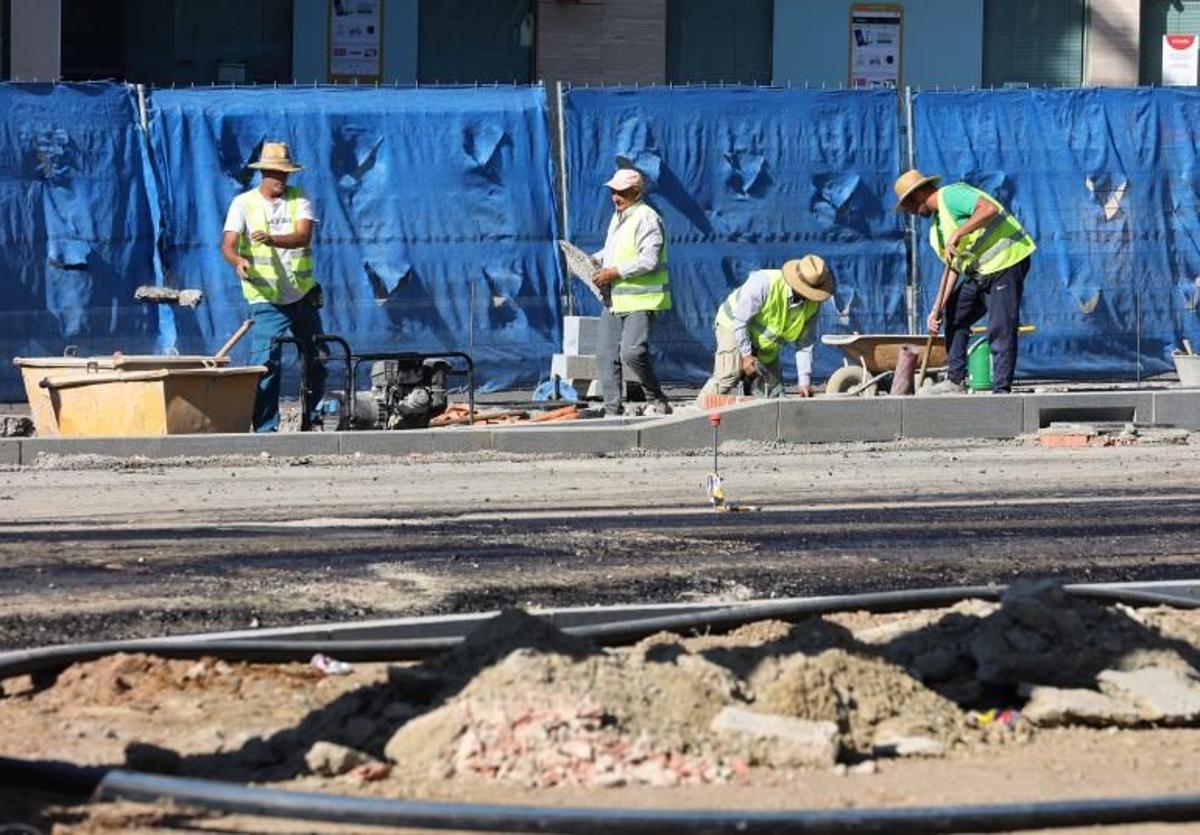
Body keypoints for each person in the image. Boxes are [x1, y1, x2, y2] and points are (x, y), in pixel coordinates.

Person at [893, 169, 1036, 394]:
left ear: (917, 195)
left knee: (1001, 327)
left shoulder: (951, 196)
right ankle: (955, 380)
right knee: (955, 312)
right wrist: (936, 308)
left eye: (908, 206)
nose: (910, 212)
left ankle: (1001, 390)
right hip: (981, 272)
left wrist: (960, 232)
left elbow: (990, 209)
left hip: (1006, 262)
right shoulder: (937, 228)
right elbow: (952, 268)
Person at [220, 142, 326, 432]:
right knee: (266, 364)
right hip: (265, 297)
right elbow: (228, 246)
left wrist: (272, 239)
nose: (282, 180)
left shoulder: (299, 199)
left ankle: (312, 420)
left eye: (286, 174)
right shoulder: (243, 204)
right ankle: (267, 429)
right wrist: (238, 261)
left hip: (302, 294)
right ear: (263, 173)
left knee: (316, 358)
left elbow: (303, 236)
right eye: (277, 174)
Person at [591, 168, 672, 416]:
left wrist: (613, 272)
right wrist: (593, 260)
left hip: (641, 299)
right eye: (614, 191)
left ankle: (656, 398)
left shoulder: (647, 218)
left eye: (622, 192)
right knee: (605, 355)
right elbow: (614, 251)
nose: (616, 197)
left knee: (632, 352)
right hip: (615, 299)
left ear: (637, 192)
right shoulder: (619, 217)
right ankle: (612, 410)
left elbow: (649, 260)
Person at [697, 255, 835, 402]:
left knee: (772, 392)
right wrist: (746, 355)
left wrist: (804, 381)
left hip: (765, 342)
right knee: (728, 374)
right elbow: (740, 320)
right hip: (732, 324)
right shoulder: (764, 283)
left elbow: (805, 345)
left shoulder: (813, 305)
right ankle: (697, 411)